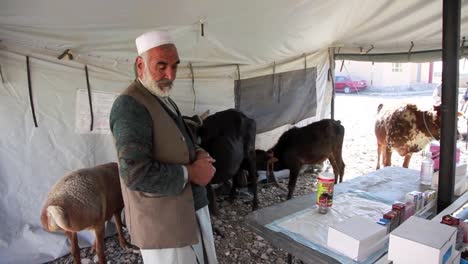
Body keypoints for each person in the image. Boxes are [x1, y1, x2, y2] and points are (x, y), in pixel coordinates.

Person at [110, 30, 218, 264]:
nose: (170, 75)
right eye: (161, 66)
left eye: (175, 66)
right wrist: (191, 172)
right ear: (140, 65)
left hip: (189, 211)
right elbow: (135, 174)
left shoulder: (162, 96)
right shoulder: (130, 106)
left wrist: (198, 152)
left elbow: (179, 139)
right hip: (164, 225)